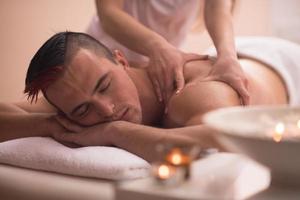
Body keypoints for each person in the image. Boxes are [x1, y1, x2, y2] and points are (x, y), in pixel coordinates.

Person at [0, 32, 299, 163]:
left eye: (104, 85)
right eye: (81, 110)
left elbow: (222, 141)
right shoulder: (76, 100)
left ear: (121, 60)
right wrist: (49, 125)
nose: (105, 109)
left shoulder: (194, 95)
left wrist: (115, 131)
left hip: (284, 65)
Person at [86, 0, 250, 105]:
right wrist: (158, 47)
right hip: (105, 55)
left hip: (166, 60)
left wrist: (228, 55)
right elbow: (108, 12)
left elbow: (217, 7)